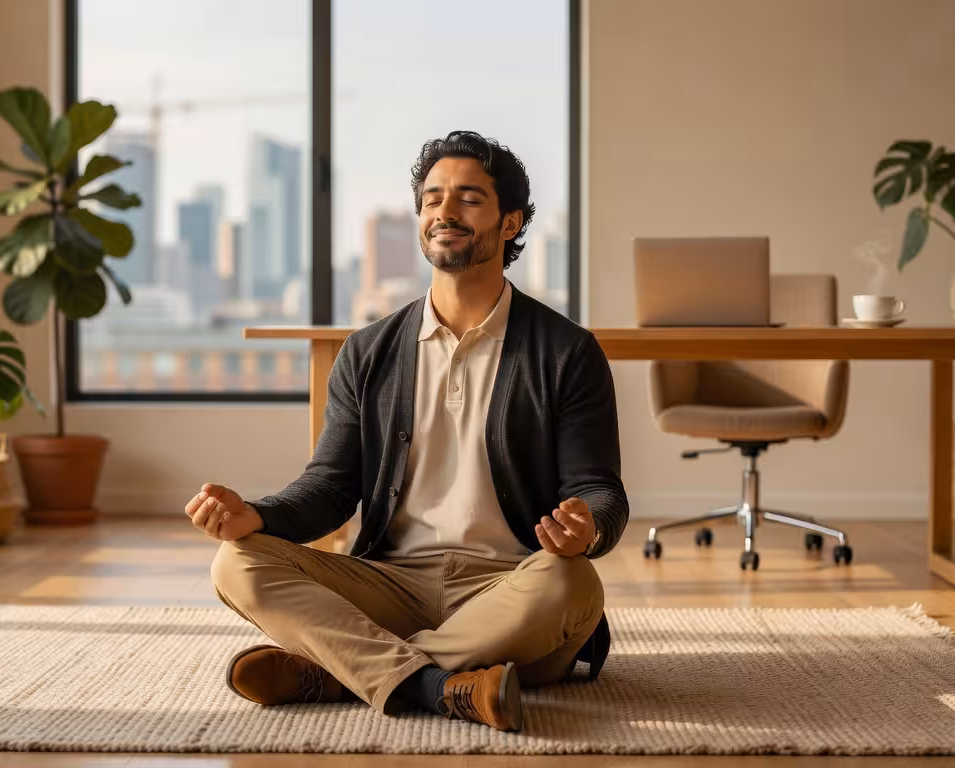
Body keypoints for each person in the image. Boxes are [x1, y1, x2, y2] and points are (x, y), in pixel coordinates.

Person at [183, 130, 627, 732]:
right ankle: (438, 685)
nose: (444, 211)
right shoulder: (367, 351)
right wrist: (256, 516)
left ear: (510, 222)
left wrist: (586, 527)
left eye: (469, 198)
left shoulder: (566, 352)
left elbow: (600, 490)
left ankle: (339, 672)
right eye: (432, 198)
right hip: (392, 584)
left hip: (511, 586)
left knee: (571, 583)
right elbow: (330, 488)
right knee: (236, 563)